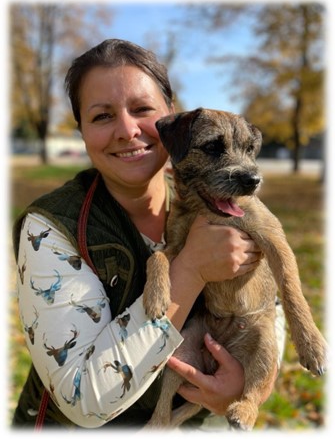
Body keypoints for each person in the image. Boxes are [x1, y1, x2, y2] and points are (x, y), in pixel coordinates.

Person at [12, 39, 285, 429]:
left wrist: (244, 385)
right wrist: (189, 270)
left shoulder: (215, 196)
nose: (127, 130)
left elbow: (268, 303)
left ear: (172, 121)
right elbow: (83, 400)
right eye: (102, 116)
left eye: (142, 110)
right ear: (82, 131)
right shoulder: (53, 227)